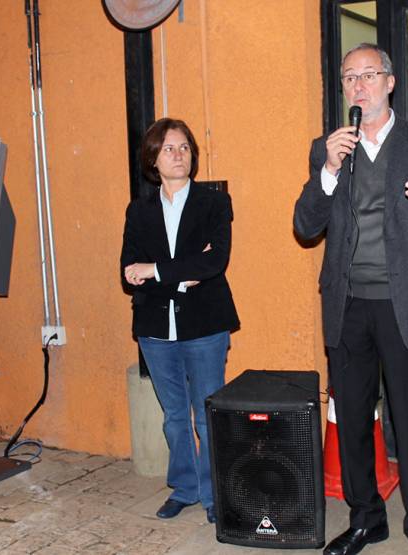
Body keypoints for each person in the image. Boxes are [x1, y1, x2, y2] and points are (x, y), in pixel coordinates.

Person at [293, 43, 408, 555]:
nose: (359, 86)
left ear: (391, 82)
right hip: (347, 306)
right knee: (350, 419)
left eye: (369, 75)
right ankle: (366, 519)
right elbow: (305, 226)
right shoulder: (329, 148)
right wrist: (326, 171)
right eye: (350, 77)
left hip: (405, 307)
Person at [120, 118, 239, 525]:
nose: (178, 154)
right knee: (174, 417)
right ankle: (185, 489)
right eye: (169, 148)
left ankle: (212, 494)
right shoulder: (139, 210)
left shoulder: (213, 203)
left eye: (184, 147)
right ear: (152, 158)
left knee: (207, 414)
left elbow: (213, 261)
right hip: (156, 329)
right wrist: (176, 271)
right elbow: (127, 270)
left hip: (206, 325)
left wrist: (154, 270)